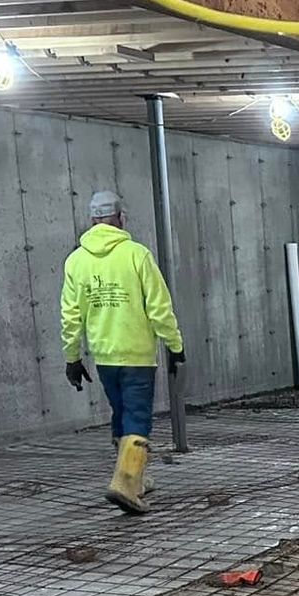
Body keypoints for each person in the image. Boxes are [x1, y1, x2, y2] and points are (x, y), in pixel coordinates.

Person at [60, 189, 185, 515]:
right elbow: (159, 307)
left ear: (93, 221)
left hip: (104, 355)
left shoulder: (77, 260)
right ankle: (126, 484)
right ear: (120, 218)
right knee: (137, 418)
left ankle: (136, 477)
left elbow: (71, 314)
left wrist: (72, 357)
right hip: (137, 355)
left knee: (122, 414)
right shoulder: (136, 255)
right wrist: (174, 346)